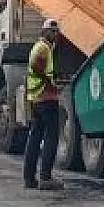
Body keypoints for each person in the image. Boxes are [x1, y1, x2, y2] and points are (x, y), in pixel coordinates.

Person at [22, 19, 64, 191]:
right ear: (44, 31)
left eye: (56, 32)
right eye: (52, 31)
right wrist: (49, 83)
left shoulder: (39, 46)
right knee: (51, 137)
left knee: (35, 138)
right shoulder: (43, 47)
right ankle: (45, 178)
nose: (55, 35)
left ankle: (29, 178)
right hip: (46, 98)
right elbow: (35, 66)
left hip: (37, 98)